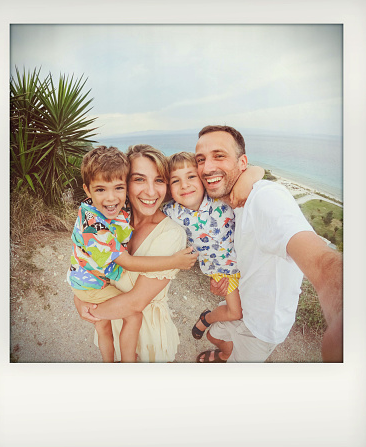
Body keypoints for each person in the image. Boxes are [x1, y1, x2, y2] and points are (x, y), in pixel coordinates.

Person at [194, 125, 343, 363]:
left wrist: (344, 308)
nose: (207, 167)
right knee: (215, 336)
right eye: (200, 159)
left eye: (219, 155)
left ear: (242, 163)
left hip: (261, 328)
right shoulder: (222, 205)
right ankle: (223, 355)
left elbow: (320, 260)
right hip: (238, 303)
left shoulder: (264, 199)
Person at [68, 146, 197, 362]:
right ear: (125, 183)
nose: (151, 191)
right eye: (139, 179)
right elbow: (85, 261)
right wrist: (79, 298)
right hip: (110, 315)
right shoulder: (114, 217)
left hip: (142, 329)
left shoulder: (171, 234)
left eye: (159, 180)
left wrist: (90, 309)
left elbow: (136, 303)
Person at [162, 151, 264, 341]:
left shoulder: (221, 196)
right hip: (223, 272)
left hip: (249, 265)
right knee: (236, 313)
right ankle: (206, 318)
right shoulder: (170, 212)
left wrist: (252, 173)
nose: (184, 185)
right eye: (175, 181)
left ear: (203, 179)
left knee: (255, 304)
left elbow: (257, 171)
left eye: (191, 176)